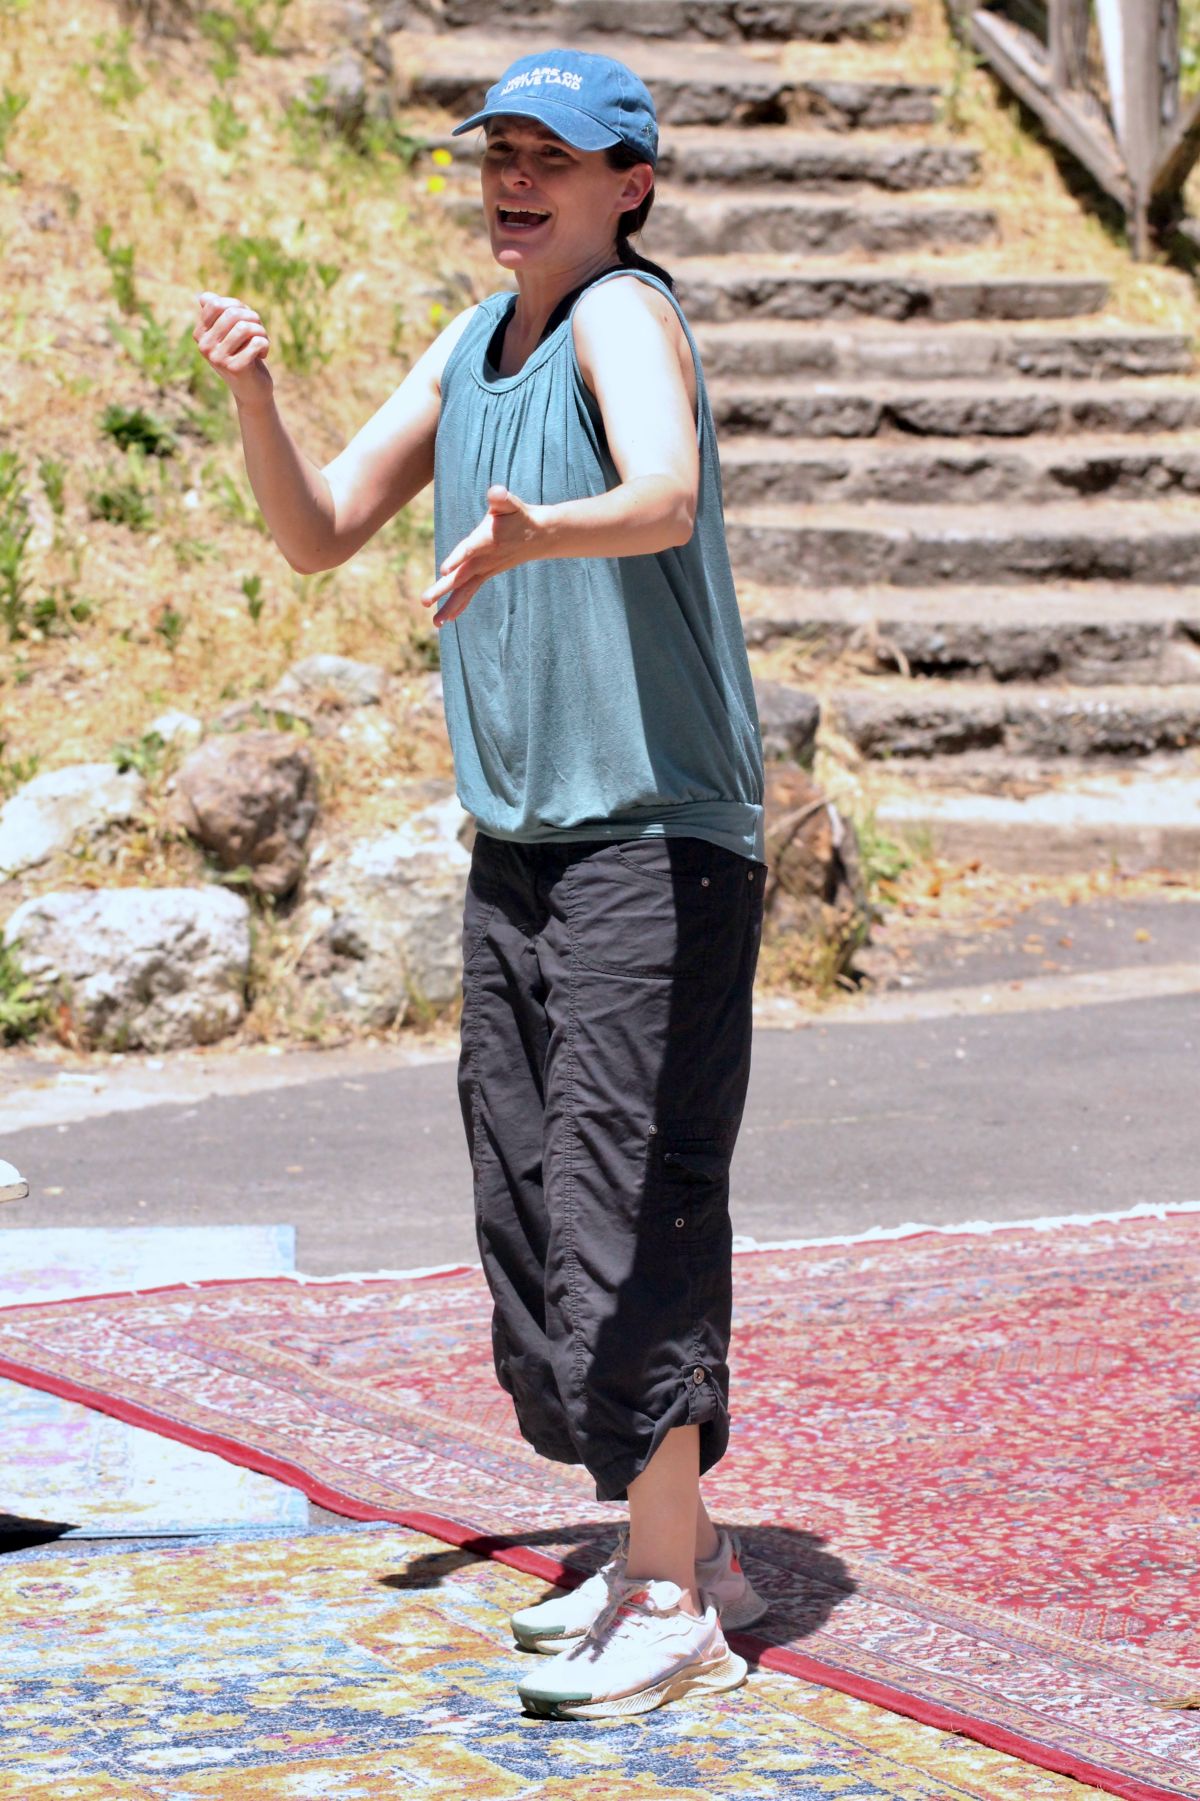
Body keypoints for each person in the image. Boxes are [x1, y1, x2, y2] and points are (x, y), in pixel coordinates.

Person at [194, 46, 767, 1722]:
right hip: (524, 844)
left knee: (621, 1197)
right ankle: (686, 1535)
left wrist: (537, 532)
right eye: (498, 152)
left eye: (551, 157)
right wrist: (258, 397)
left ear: (629, 186)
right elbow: (318, 532)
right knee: (527, 1207)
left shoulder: (622, 317)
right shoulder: (470, 348)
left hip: (657, 836)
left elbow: (660, 494)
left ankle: (673, 1598)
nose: (514, 179)